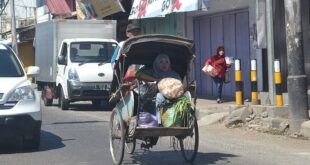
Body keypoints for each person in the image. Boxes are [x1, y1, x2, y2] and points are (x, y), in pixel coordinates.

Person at [135, 53, 181, 148]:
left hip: (174, 97)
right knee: (159, 96)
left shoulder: (174, 74)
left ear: (170, 64)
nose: (164, 64)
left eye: (166, 62)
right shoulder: (153, 72)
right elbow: (138, 74)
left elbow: (179, 85)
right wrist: (156, 80)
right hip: (155, 99)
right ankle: (159, 122)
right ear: (156, 64)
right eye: (161, 62)